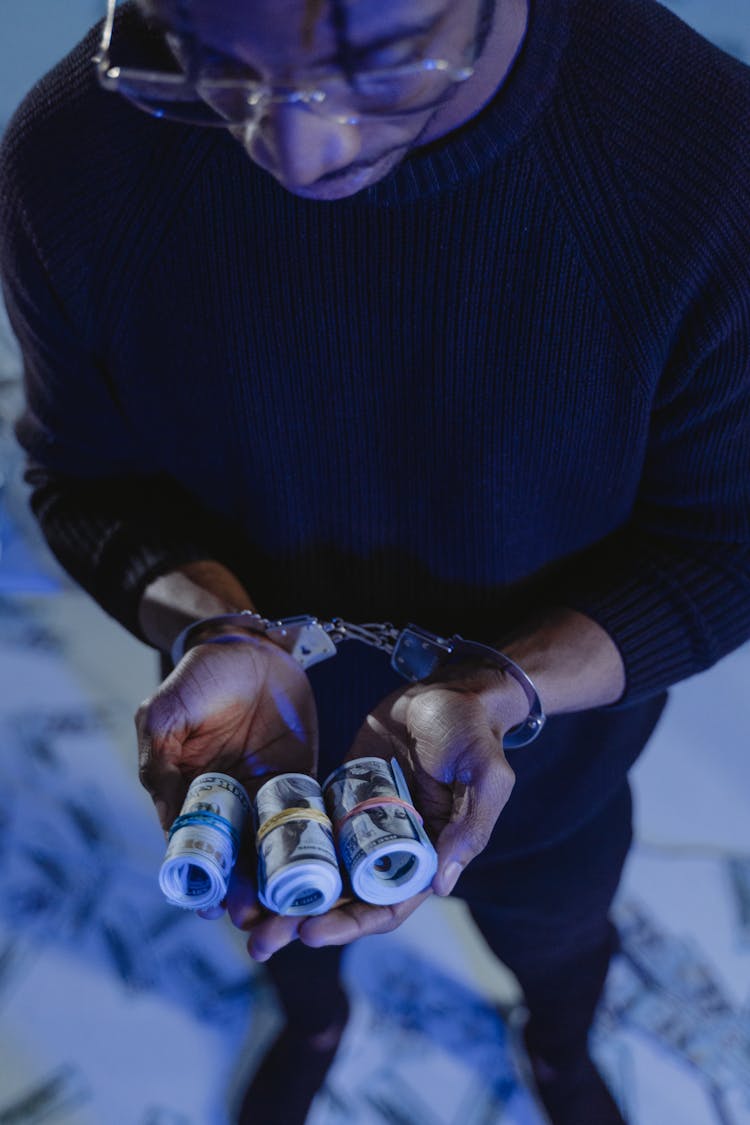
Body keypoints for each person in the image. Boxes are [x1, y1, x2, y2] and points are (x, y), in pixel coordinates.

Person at [1, 0, 749, 1121]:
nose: (302, 152)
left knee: (555, 939)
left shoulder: (707, 167)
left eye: (386, 64)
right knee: (291, 941)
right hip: (256, 772)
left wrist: (503, 689)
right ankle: (313, 1022)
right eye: (216, 69)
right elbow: (84, 482)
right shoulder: (79, 151)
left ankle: (555, 1044)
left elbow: (723, 544)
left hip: (549, 771)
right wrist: (213, 627)